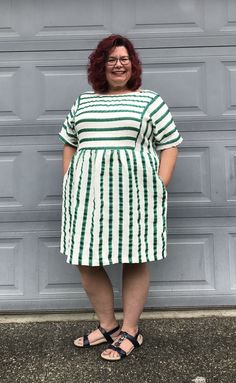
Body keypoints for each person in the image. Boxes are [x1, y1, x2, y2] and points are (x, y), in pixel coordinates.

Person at [59, 34, 183, 361]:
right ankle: (108, 325)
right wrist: (69, 177)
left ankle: (130, 330)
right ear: (101, 65)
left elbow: (170, 144)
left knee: (134, 256)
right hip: (87, 195)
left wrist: (160, 184)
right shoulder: (84, 101)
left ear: (133, 64)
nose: (119, 64)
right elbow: (69, 141)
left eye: (124, 59)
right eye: (112, 59)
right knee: (85, 259)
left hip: (136, 194)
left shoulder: (150, 101)